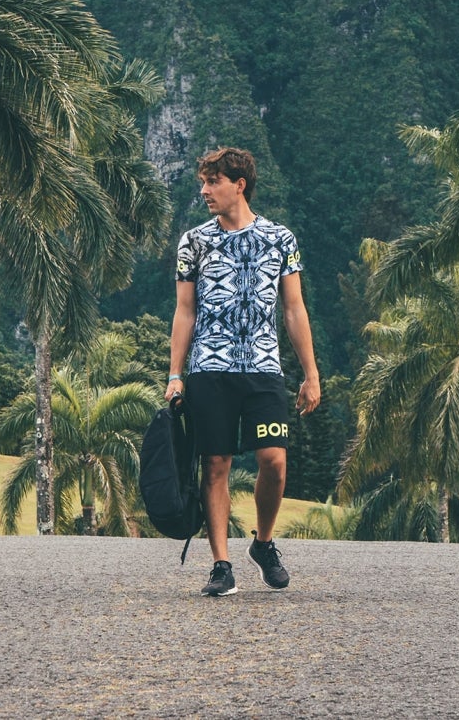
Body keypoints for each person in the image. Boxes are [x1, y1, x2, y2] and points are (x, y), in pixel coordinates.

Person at [165, 146, 320, 596]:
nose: (204, 190)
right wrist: (175, 374)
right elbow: (185, 311)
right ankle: (221, 565)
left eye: (213, 182)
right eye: (203, 182)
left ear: (240, 184)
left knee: (274, 461)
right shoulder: (194, 241)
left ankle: (263, 543)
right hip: (209, 368)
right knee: (215, 464)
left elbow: (293, 309)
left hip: (263, 367)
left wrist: (311, 373)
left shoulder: (280, 238)